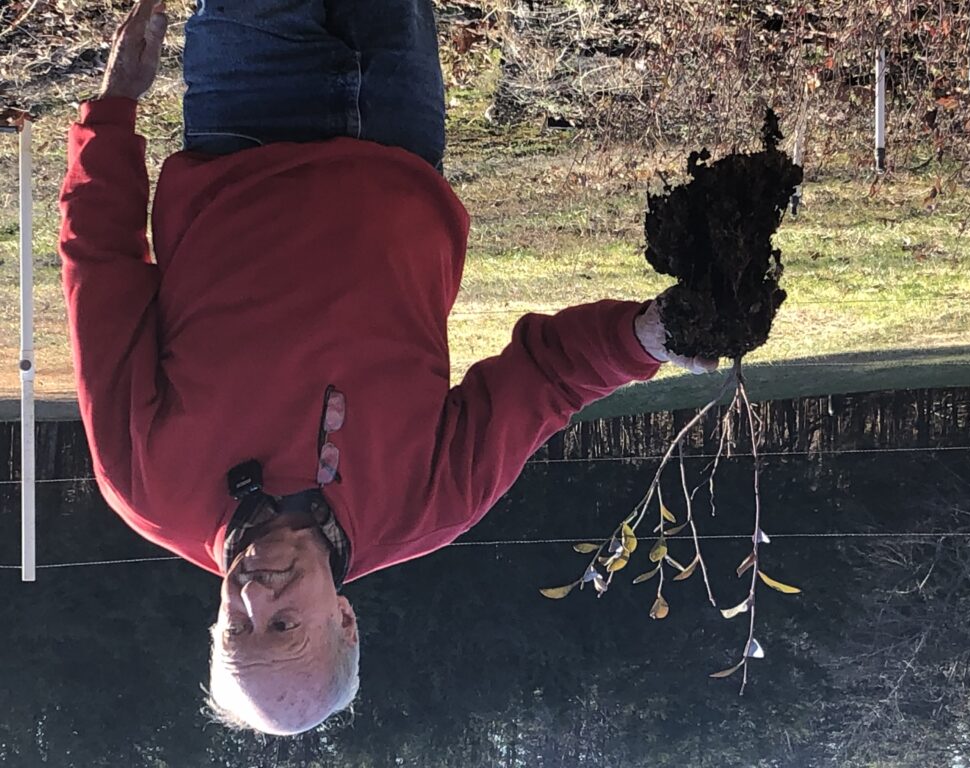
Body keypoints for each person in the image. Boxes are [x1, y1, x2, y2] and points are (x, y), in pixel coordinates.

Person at [58, 0, 718, 736]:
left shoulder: (145, 485)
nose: (253, 600)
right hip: (398, 126)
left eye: (237, 632)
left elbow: (102, 272)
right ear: (346, 621)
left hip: (246, 110)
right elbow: (546, 380)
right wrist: (651, 337)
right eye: (284, 628)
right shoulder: (428, 508)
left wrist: (112, 112)